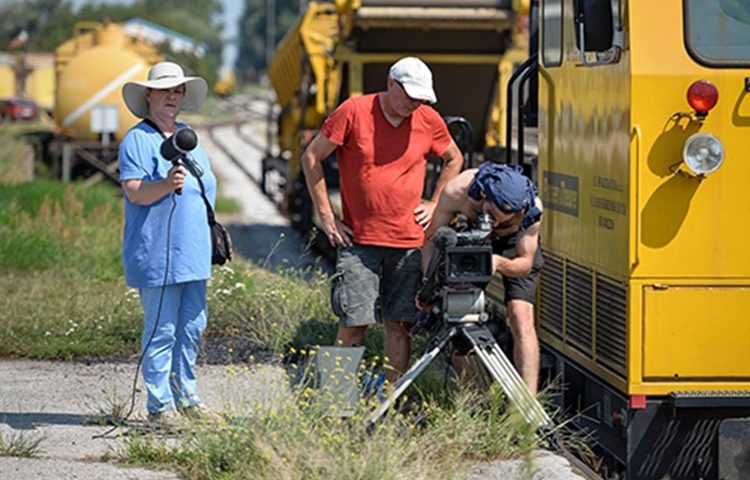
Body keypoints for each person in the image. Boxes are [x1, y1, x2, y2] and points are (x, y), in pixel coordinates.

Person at [300, 57, 463, 382]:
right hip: (359, 240)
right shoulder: (354, 111)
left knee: (399, 324)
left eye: (420, 98)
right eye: (409, 96)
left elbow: (454, 158)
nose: (413, 104)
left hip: (409, 243)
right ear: (391, 83)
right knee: (352, 322)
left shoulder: (427, 120)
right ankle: (336, 404)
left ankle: (389, 405)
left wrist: (435, 204)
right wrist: (326, 215)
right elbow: (311, 157)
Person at [119, 61, 219, 424]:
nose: (172, 97)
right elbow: (134, 192)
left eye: (178, 91)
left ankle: (187, 398)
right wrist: (164, 184)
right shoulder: (137, 140)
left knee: (192, 326)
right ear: (149, 95)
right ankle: (160, 406)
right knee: (162, 328)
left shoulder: (188, 135)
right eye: (165, 90)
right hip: (157, 252)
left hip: (193, 252)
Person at [421, 163, 544, 394]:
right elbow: (431, 239)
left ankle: (527, 404)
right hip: (469, 239)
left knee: (521, 316)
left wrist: (497, 263)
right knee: (458, 313)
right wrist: (429, 283)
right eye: (492, 216)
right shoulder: (457, 190)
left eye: (504, 220)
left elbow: (525, 264)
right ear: (483, 196)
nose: (495, 223)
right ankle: (471, 395)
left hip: (510, 249)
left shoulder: (533, 208)